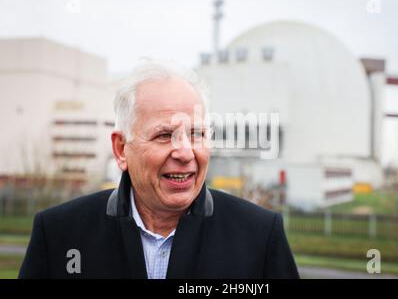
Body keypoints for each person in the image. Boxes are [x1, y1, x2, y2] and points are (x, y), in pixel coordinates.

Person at [19, 60, 299, 279]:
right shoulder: (58, 234)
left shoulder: (260, 237)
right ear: (121, 149)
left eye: (196, 133)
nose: (185, 152)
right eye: (164, 135)